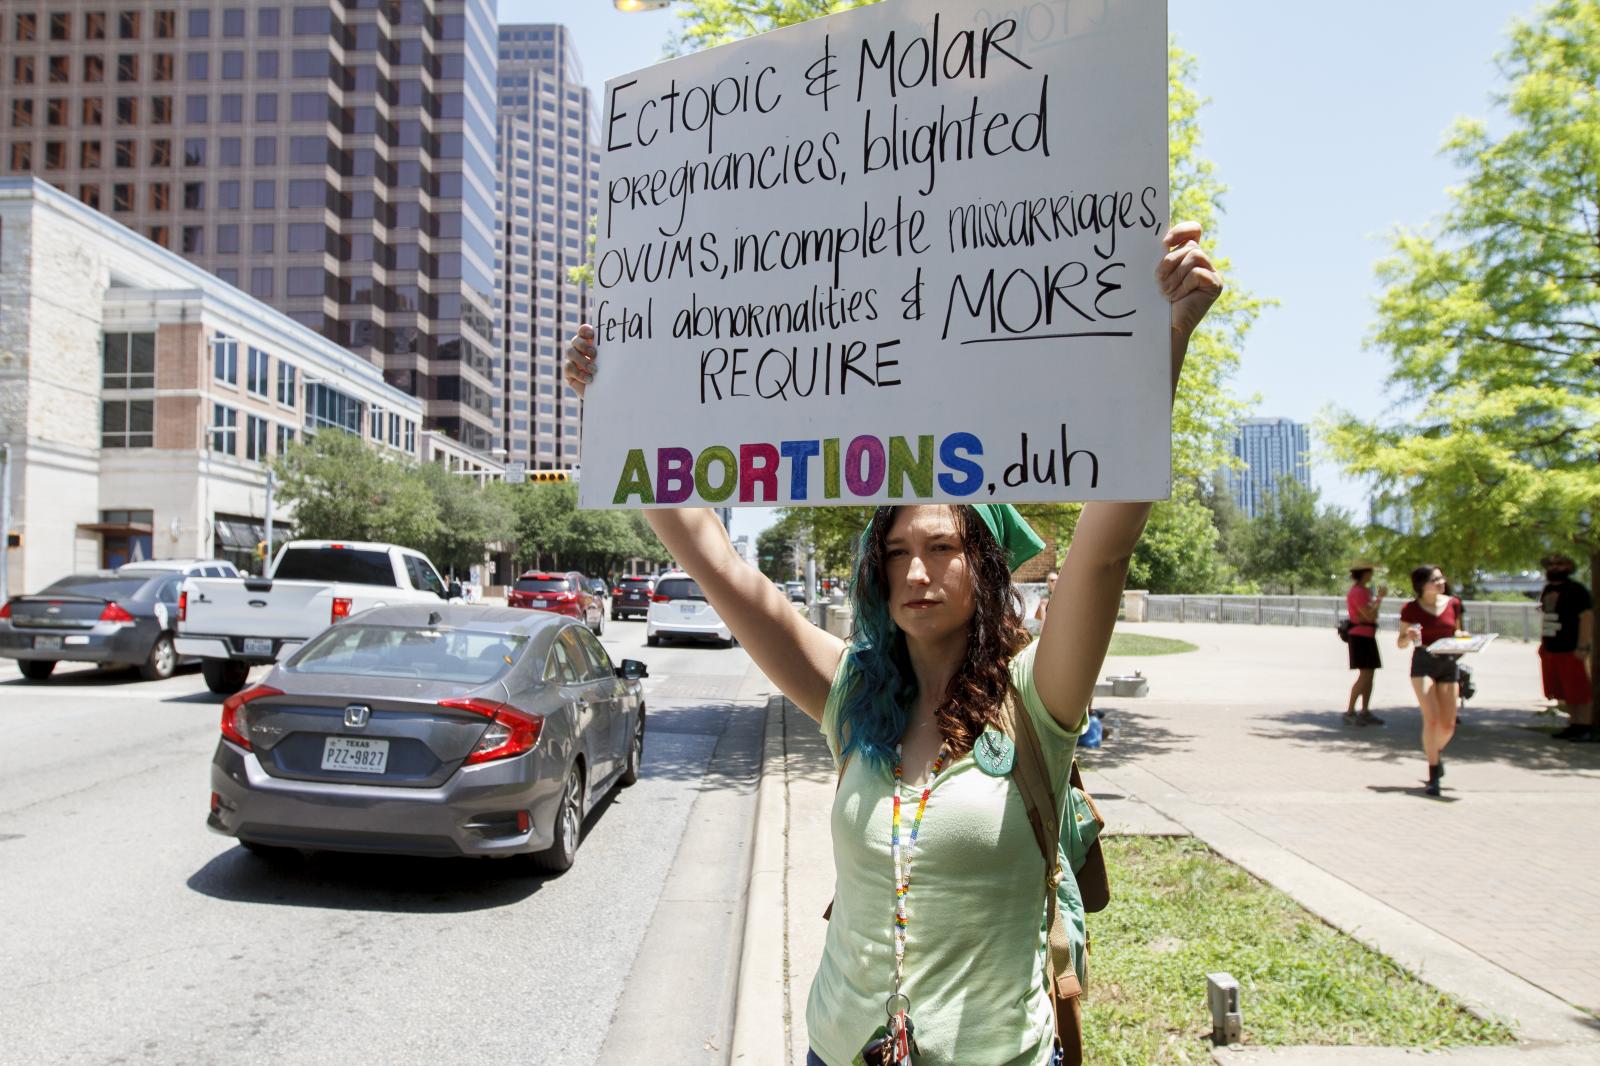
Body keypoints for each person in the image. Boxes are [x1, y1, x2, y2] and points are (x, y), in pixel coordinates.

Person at [566, 222, 1222, 1066]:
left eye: (943, 549)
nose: (917, 573)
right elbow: (718, 563)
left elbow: (1101, 555)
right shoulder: (850, 693)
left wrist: (1165, 339)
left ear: (982, 567)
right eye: (897, 553)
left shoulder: (1036, 699)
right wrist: (616, 405)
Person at [1397, 564, 1466, 796]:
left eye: (1441, 577)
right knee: (1433, 719)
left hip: (1448, 662)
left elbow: (1458, 632)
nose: (1441, 581)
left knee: (1448, 725)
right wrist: (1408, 636)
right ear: (1421, 585)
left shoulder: (1454, 604)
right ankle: (1433, 772)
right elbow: (1401, 642)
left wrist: (1465, 640)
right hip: (1423, 662)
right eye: (1434, 579)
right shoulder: (1410, 609)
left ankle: (1434, 752)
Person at [1539, 554, 1594, 741]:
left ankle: (1584, 726)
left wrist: (1583, 645)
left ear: (1569, 567)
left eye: (1560, 564)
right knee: (1564, 690)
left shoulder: (1577, 590)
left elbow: (1586, 618)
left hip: (1572, 648)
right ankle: (1573, 724)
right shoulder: (1546, 590)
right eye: (1552, 564)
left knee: (1579, 690)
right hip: (1552, 647)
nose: (1555, 567)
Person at [1344, 562, 1386, 726]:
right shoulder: (1358, 592)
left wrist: (1375, 603)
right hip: (1360, 636)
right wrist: (1380, 597)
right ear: (1364, 573)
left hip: (1368, 635)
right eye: (1370, 572)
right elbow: (1369, 615)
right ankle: (1350, 711)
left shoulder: (1366, 591)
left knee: (1370, 675)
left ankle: (1365, 710)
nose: (1372, 574)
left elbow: (1371, 615)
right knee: (1364, 675)